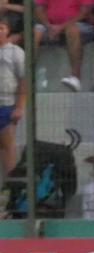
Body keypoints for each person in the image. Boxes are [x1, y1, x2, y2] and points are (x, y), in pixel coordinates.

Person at [33, 0, 94, 92]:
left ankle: (75, 78)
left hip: (80, 25)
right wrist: (49, 26)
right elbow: (39, 8)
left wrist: (61, 27)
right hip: (49, 25)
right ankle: (28, 77)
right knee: (35, 32)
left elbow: (85, 12)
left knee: (72, 30)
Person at [0, 14, 25, 177]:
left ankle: (10, 186)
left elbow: (24, 80)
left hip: (6, 105)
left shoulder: (15, 52)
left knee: (7, 146)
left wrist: (19, 107)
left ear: (7, 30)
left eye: (1, 28)